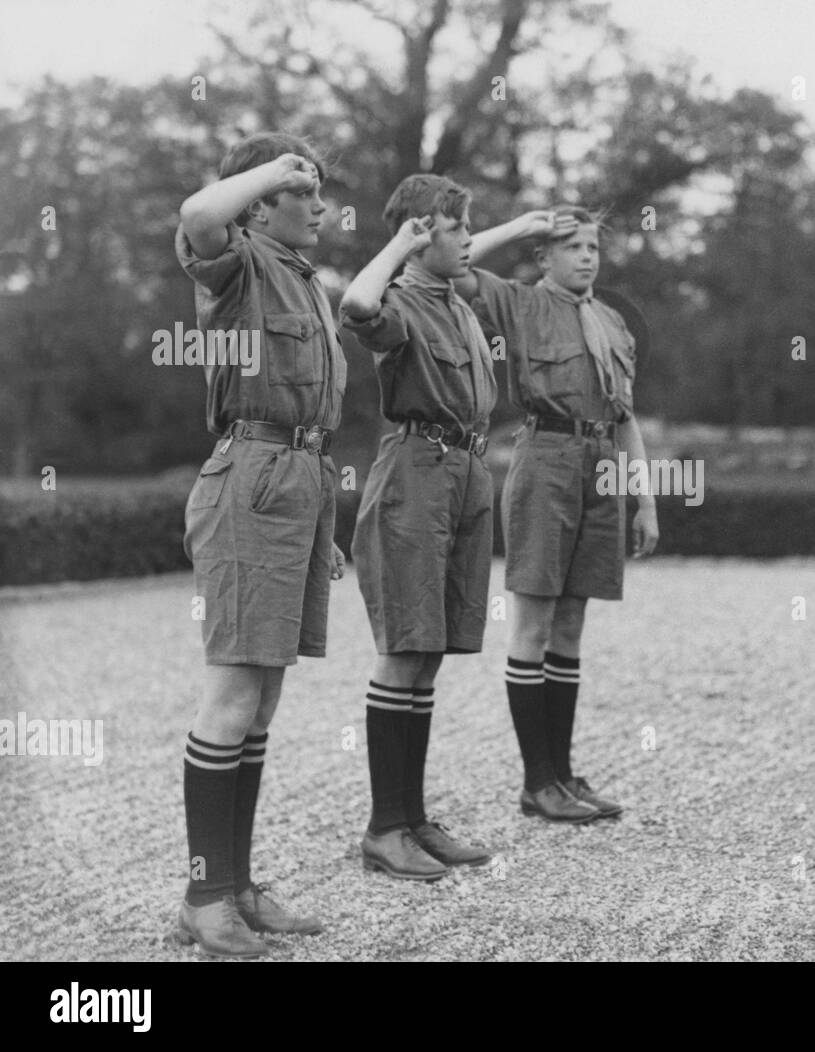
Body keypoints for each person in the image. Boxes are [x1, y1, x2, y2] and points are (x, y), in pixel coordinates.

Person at [174, 132, 347, 956]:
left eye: (315, 191)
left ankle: (237, 885)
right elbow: (198, 212)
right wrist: (274, 167)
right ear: (262, 198)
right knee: (234, 691)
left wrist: (325, 528)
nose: (320, 205)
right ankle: (204, 896)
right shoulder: (234, 258)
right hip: (251, 475)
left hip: (300, 479)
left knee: (264, 697)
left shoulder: (305, 279)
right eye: (305, 191)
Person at [454, 206, 658, 823]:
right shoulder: (520, 304)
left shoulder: (612, 322)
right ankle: (536, 780)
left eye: (593, 246)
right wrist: (520, 226)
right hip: (545, 459)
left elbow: (625, 418)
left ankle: (564, 775)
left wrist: (643, 498)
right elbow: (455, 262)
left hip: (601, 465)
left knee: (570, 627)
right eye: (571, 246)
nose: (587, 256)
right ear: (545, 257)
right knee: (533, 625)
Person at [340, 174, 496, 879]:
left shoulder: (452, 298)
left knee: (429, 650)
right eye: (455, 227)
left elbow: (462, 255)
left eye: (466, 226)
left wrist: (508, 228)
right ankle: (383, 828)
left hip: (463, 471)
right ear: (420, 237)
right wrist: (402, 241)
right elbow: (356, 305)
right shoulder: (400, 302)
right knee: (404, 647)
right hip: (416, 471)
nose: (467, 238)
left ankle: (411, 818)